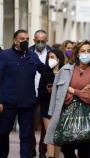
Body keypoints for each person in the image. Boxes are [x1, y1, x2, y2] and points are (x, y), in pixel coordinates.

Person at [44, 40, 90, 158]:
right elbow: (63, 97)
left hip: (89, 118)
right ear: (76, 53)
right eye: (83, 51)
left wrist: (74, 91)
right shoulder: (65, 70)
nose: (86, 54)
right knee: (67, 151)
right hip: (68, 117)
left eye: (88, 51)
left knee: (85, 152)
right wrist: (82, 92)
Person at [0, 29, 46, 158]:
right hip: (8, 102)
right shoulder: (4, 55)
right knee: (3, 132)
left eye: (27, 39)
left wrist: (54, 65)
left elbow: (43, 70)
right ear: (15, 40)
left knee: (26, 136)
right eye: (22, 39)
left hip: (27, 103)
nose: (25, 41)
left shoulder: (32, 55)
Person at [38, 48, 65, 158]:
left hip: (61, 109)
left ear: (59, 59)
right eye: (48, 57)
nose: (50, 59)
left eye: (52, 57)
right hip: (47, 108)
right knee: (50, 135)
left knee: (58, 137)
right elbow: (40, 93)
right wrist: (49, 91)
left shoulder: (65, 73)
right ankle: (49, 156)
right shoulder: (45, 73)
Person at [29, 29, 52, 158]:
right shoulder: (28, 52)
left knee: (45, 126)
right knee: (29, 124)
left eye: (43, 41)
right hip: (30, 92)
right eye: (37, 41)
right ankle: (31, 150)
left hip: (45, 93)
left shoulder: (51, 53)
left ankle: (43, 152)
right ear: (34, 40)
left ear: (46, 40)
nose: (40, 43)